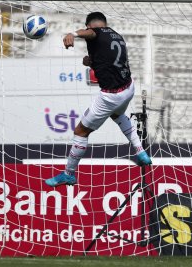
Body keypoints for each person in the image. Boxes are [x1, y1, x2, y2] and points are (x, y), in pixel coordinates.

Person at [45, 12, 152, 187]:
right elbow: (110, 61)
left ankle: (68, 174)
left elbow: (93, 33)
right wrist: (91, 62)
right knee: (117, 116)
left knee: (80, 131)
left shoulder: (96, 32)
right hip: (129, 87)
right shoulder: (116, 35)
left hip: (111, 95)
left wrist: (74, 34)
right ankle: (140, 151)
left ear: (89, 26)